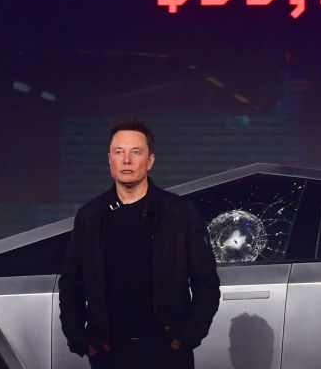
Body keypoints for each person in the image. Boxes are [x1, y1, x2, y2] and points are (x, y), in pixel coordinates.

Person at [59, 118, 220, 368]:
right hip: (109, 352)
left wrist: (187, 336)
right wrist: (79, 339)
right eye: (119, 152)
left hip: (167, 351)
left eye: (135, 152)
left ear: (150, 160)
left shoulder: (180, 212)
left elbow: (206, 280)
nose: (126, 160)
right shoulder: (90, 216)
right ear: (109, 159)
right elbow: (71, 282)